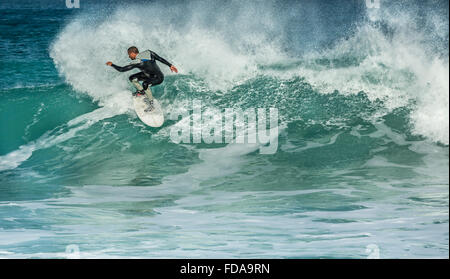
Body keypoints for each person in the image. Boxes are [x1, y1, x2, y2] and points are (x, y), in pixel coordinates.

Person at [106, 46, 178, 98]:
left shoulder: (137, 62)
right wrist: (170, 65)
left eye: (129, 54)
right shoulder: (149, 53)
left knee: (145, 84)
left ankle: (151, 103)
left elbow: (121, 69)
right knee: (132, 78)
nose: (129, 56)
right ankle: (141, 92)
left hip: (158, 78)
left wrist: (112, 64)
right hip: (147, 75)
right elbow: (160, 58)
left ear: (132, 53)